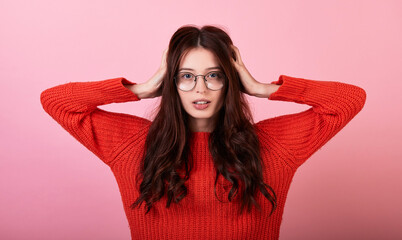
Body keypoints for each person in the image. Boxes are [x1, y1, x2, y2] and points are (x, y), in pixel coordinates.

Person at [40, 24, 366, 240]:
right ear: (172, 82)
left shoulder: (272, 146)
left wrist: (260, 87)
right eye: (186, 76)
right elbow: (55, 101)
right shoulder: (132, 144)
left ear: (229, 82)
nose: (201, 89)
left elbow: (350, 100)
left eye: (214, 76)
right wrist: (142, 88)